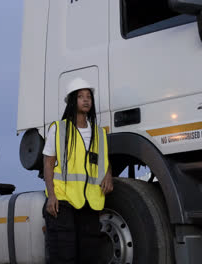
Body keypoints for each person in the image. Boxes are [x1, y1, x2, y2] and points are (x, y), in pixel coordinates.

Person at [42, 77, 113, 264]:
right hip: (63, 200)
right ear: (73, 101)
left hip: (90, 202)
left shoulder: (99, 133)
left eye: (88, 96)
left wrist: (108, 175)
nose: (86, 100)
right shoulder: (59, 129)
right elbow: (48, 163)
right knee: (64, 254)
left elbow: (103, 160)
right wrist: (51, 195)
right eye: (81, 96)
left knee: (89, 255)